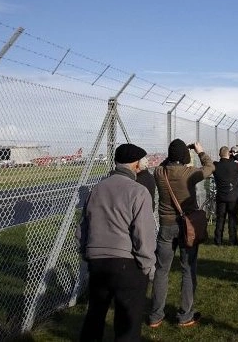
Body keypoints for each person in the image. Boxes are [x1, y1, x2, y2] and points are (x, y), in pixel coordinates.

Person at [77, 143, 156, 341]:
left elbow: (82, 228)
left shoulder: (96, 189)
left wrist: (87, 253)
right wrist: (148, 265)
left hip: (97, 262)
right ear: (136, 165)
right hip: (127, 263)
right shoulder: (138, 192)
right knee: (127, 323)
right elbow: (143, 234)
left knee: (95, 315)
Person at [148, 139, 214, 328]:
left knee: (162, 270)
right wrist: (199, 151)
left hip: (166, 226)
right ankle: (185, 314)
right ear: (184, 157)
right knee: (188, 269)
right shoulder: (189, 173)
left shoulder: (159, 172)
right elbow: (209, 167)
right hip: (187, 226)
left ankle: (156, 315)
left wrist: (175, 153)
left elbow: (165, 163)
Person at [212, 146, 238, 246]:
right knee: (232, 219)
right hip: (233, 195)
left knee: (220, 218)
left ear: (220, 154)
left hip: (221, 196)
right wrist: (237, 156)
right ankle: (233, 240)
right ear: (229, 154)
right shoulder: (235, 166)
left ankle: (218, 240)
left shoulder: (215, 165)